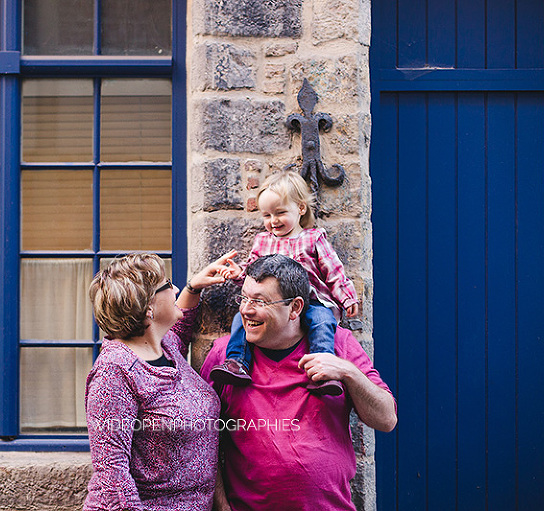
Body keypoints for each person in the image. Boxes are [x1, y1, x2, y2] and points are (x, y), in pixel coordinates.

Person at [201, 254, 397, 511]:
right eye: (245, 298)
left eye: (260, 301)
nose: (246, 310)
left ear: (295, 308)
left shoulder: (339, 345)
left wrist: (348, 372)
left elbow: (386, 419)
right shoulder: (225, 357)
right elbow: (202, 439)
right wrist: (221, 505)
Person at [83, 251, 237, 511]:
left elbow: (180, 327)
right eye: (167, 285)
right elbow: (113, 475)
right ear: (148, 307)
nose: (175, 288)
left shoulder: (165, 347)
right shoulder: (114, 372)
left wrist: (193, 288)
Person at [210, 170, 359, 396]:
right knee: (240, 319)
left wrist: (346, 296)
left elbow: (334, 271)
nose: (273, 221)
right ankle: (237, 362)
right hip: (272, 305)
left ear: (300, 209)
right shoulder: (263, 241)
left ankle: (322, 370)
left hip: (311, 301)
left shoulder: (313, 238)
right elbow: (254, 273)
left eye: (280, 213)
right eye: (267, 216)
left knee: (322, 321)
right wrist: (239, 272)